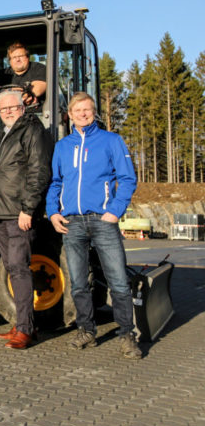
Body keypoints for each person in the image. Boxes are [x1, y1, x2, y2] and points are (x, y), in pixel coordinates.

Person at [46, 92, 142, 360]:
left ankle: (126, 335)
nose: (83, 114)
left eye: (87, 110)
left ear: (94, 112)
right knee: (78, 283)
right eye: (78, 110)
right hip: (72, 223)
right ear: (70, 114)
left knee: (119, 282)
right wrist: (53, 212)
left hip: (102, 221)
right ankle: (86, 330)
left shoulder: (111, 141)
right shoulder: (63, 146)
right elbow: (55, 182)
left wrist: (114, 211)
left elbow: (128, 178)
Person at [0, 89, 52, 349]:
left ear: (23, 107)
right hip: (1, 213)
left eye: (12, 107)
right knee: (12, 268)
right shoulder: (4, 135)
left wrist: (28, 208)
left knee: (20, 268)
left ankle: (26, 328)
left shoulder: (32, 131)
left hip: (18, 214)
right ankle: (24, 323)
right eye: (3, 109)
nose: (8, 112)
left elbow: (38, 170)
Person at [0, 42, 46, 110]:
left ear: (27, 57)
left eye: (21, 56)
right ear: (10, 61)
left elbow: (37, 90)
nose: (17, 60)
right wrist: (23, 94)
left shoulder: (39, 68)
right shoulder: (3, 73)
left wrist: (6, 92)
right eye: (14, 57)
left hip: (35, 115)